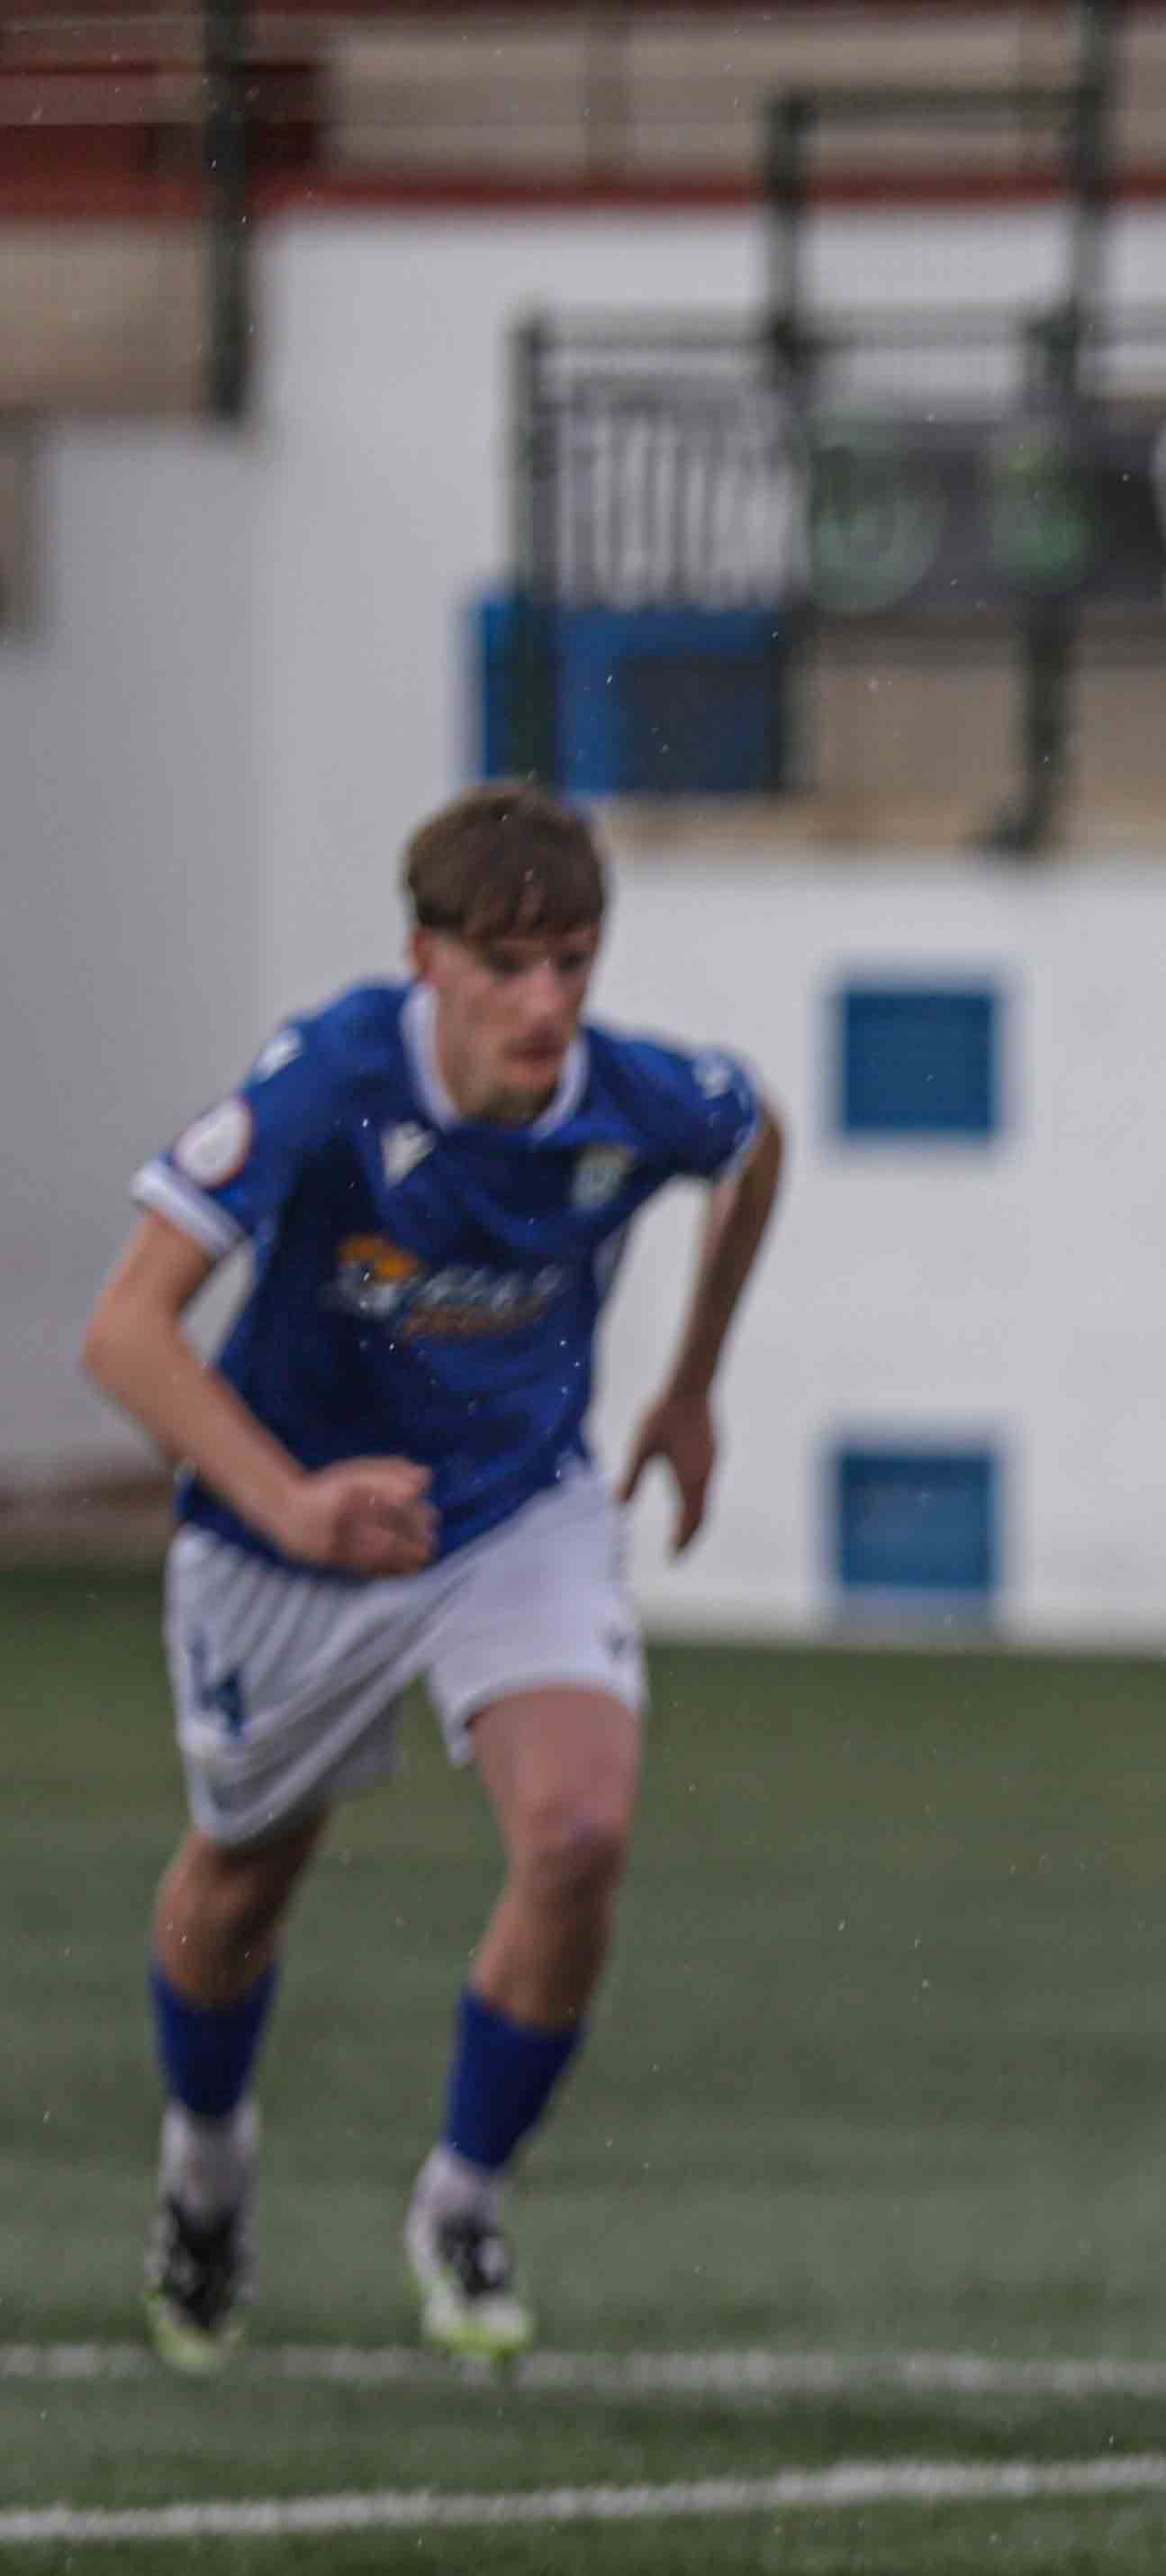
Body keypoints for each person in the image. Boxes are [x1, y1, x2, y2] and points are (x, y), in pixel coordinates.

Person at [85, 785, 787, 2372]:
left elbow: (758, 1142)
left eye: (575, 965)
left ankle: (460, 2197)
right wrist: (291, 1495)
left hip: (511, 1508)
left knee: (582, 1830)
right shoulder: (331, 1078)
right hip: (291, 1528)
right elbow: (125, 1332)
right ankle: (206, 2169)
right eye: (509, 967)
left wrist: (692, 1386)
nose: (546, 1005)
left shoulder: (635, 1097)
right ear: (427, 958)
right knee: (246, 1876)